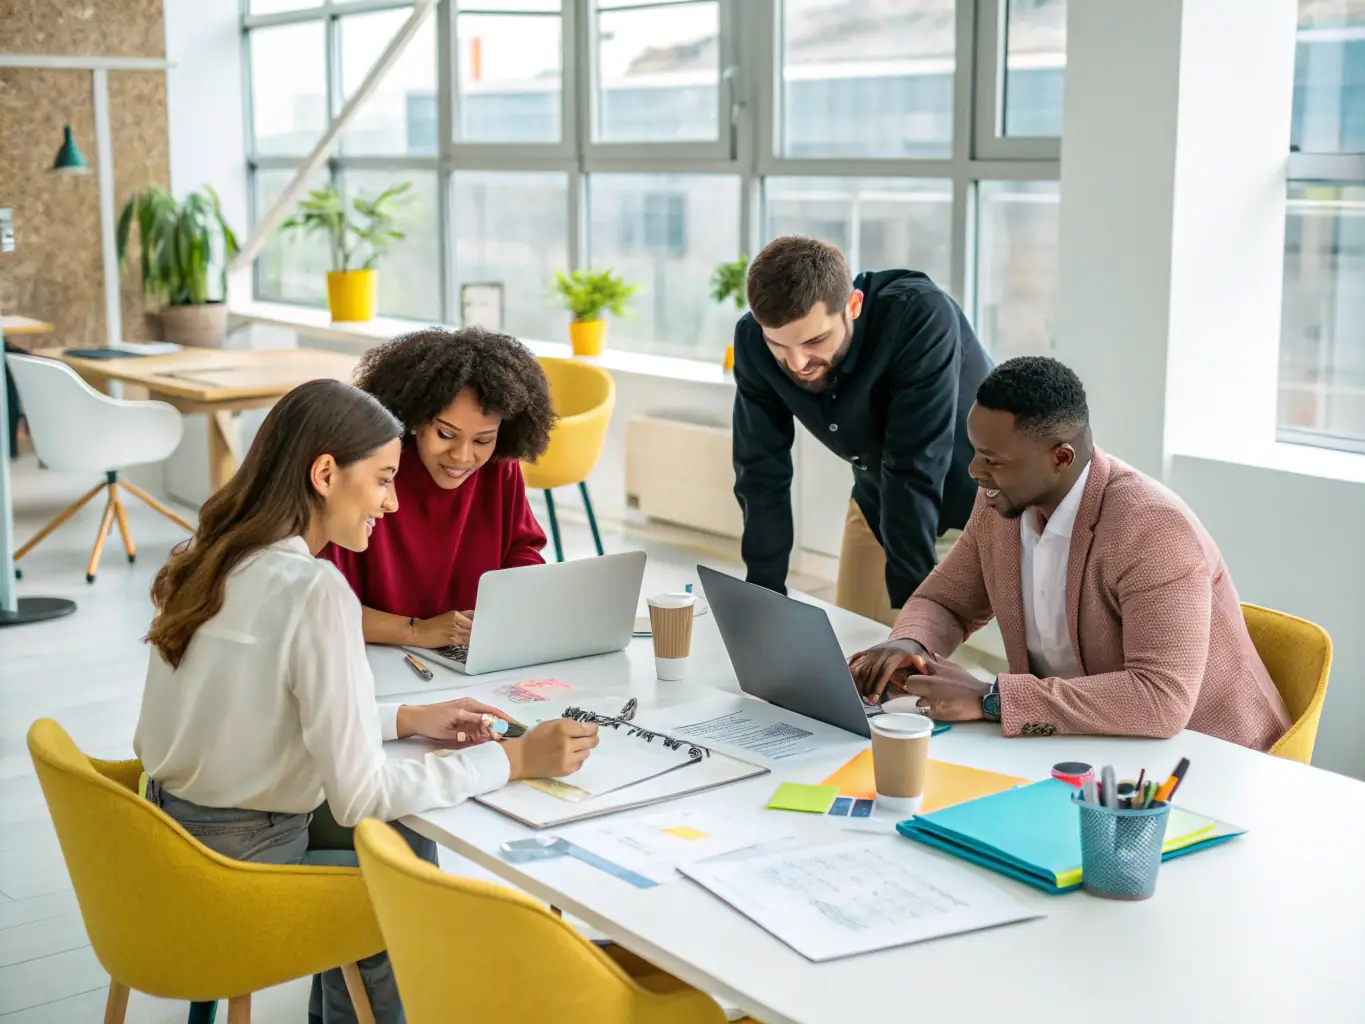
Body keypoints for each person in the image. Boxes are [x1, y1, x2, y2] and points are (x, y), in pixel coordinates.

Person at [135, 380, 597, 1024]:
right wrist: (514, 760)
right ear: (325, 473)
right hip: (242, 866)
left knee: (401, 839)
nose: (391, 500)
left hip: (166, 834)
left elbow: (255, 710)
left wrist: (403, 717)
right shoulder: (315, 590)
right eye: (383, 479)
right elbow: (361, 798)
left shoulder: (210, 555)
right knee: (407, 885)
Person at [849, 357, 1292, 751]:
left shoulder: (1153, 530)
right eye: (976, 452)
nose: (974, 471)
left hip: (1205, 760)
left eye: (993, 460)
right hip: (1084, 743)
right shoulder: (1000, 503)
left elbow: (1160, 699)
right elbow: (945, 600)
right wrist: (911, 645)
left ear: (1061, 457)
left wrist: (991, 699)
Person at [732, 235, 993, 627]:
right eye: (779, 345)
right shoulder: (753, 341)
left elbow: (915, 464)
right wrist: (764, 596)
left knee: (1007, 670)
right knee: (857, 660)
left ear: (853, 306)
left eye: (815, 340)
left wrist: (916, 622)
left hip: (989, 505)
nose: (798, 362)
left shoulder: (919, 315)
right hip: (881, 502)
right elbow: (760, 470)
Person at [324, 327, 556, 649]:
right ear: (416, 419)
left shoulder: (499, 468)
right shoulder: (372, 470)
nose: (462, 456)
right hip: (379, 652)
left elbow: (521, 549)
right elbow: (325, 607)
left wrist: (507, 610)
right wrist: (416, 631)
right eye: (446, 434)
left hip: (469, 651)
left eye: (483, 440)